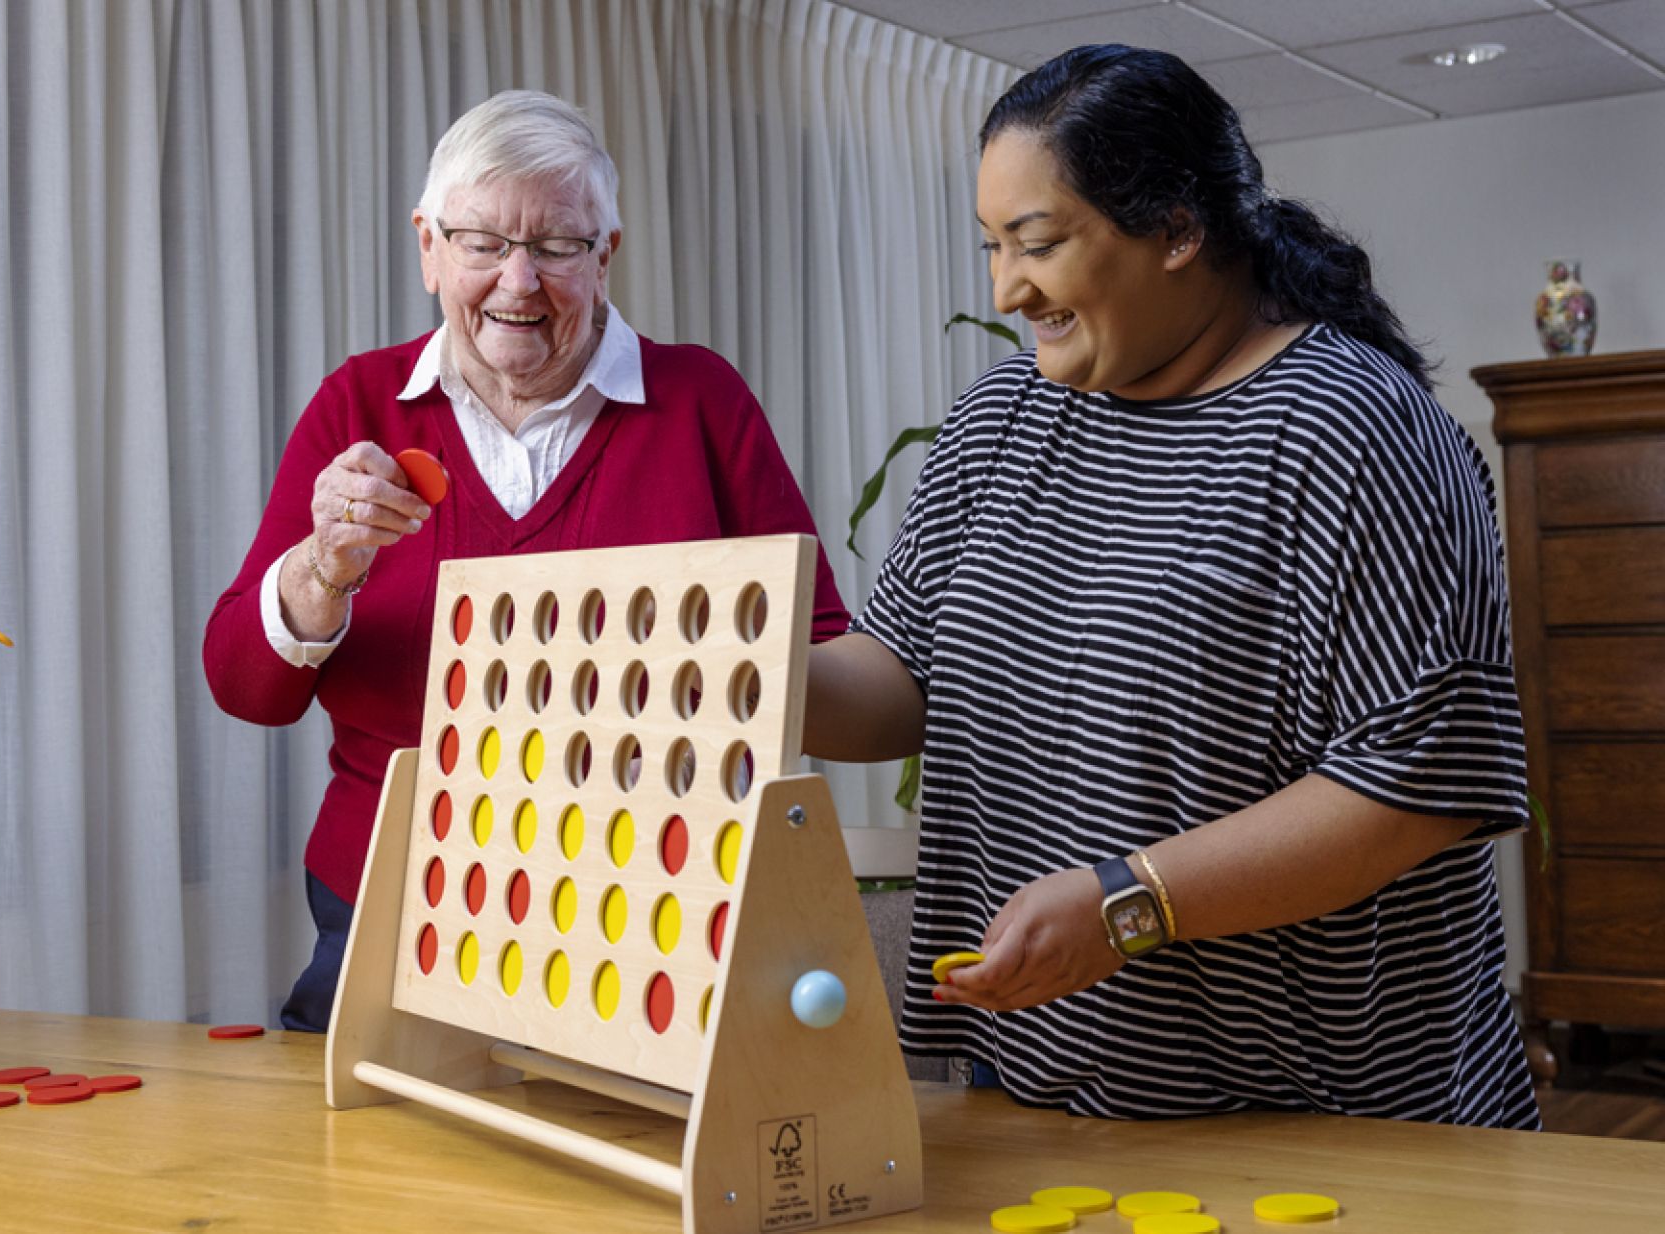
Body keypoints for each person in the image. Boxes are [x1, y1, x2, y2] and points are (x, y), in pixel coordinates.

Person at [804, 45, 1539, 1127]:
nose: (1007, 288)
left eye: (1039, 244)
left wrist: (1126, 906)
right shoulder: (997, 423)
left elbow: (1412, 792)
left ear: (1181, 231)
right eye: (993, 247)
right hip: (1039, 1099)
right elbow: (901, 674)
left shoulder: (1354, 433)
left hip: (1319, 1121)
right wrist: (734, 670)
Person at [205, 90, 848, 1032]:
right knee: (355, 1169)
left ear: (606, 256)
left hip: (650, 902)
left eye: (555, 247)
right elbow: (245, 687)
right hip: (393, 901)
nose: (518, 282)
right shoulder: (360, 403)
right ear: (428, 246)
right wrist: (322, 566)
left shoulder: (699, 400)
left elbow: (822, 648)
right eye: (482, 244)